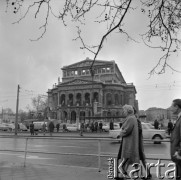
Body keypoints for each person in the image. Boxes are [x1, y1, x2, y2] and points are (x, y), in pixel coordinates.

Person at [116, 105, 139, 179]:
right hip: (130, 140)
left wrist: (120, 134)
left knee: (126, 157)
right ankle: (124, 174)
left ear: (128, 111)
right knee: (128, 158)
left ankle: (122, 175)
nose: (123, 112)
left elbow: (127, 130)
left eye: (124, 110)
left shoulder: (130, 118)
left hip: (129, 141)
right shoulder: (132, 118)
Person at [170, 99, 181, 179]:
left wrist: (179, 153)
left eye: (172, 106)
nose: (170, 108)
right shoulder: (178, 118)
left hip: (179, 156)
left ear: (177, 107)